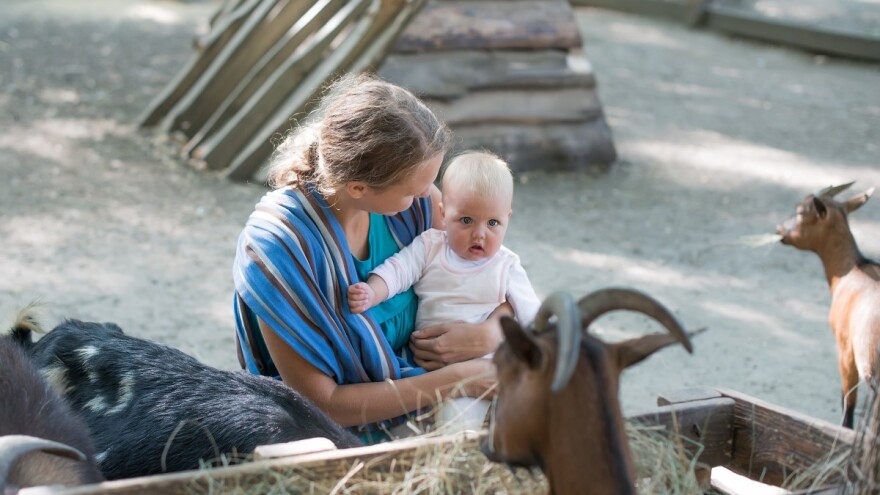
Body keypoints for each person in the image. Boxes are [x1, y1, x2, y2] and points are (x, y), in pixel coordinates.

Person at [231, 74, 504, 443]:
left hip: (427, 401)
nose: (430, 195)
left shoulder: (415, 207)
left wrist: (491, 332)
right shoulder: (281, 248)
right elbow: (322, 405)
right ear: (358, 187)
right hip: (334, 438)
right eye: (414, 190)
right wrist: (457, 380)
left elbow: (496, 271)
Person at [346, 151, 540, 431]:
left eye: (493, 223)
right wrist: (372, 292)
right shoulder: (430, 246)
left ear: (507, 218)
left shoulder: (506, 265)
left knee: (464, 420)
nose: (480, 233)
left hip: (484, 368)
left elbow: (533, 315)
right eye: (466, 220)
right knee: (418, 422)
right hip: (426, 366)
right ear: (443, 213)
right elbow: (398, 271)